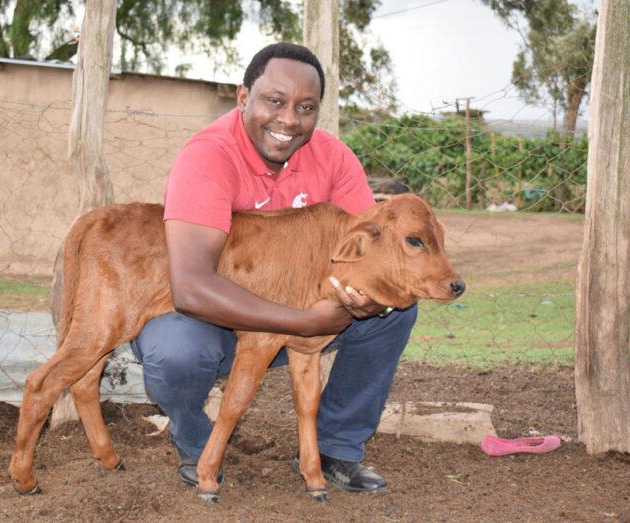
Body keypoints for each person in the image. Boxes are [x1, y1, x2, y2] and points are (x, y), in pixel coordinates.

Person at [129, 42, 417, 494]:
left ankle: (336, 447)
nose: (288, 121)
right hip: (214, 321)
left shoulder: (333, 158)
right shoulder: (208, 156)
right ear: (243, 97)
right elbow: (190, 288)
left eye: (305, 108)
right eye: (274, 101)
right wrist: (304, 321)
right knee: (175, 353)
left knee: (394, 310)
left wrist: (358, 298)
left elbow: (369, 252)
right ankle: (196, 440)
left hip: (306, 314)